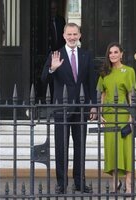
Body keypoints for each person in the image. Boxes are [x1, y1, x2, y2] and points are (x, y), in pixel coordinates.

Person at [41, 23, 97, 193]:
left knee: (80, 147)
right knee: (61, 147)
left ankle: (80, 183)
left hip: (81, 108)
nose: (72, 37)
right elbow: (43, 79)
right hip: (61, 108)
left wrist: (93, 106)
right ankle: (61, 184)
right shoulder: (55, 54)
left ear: (80, 35)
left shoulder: (86, 55)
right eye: (69, 34)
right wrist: (52, 68)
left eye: (75, 34)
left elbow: (90, 83)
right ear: (64, 36)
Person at [96, 42, 136, 193]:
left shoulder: (129, 71)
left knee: (126, 150)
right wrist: (100, 114)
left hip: (123, 114)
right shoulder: (104, 72)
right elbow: (103, 94)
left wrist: (131, 117)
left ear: (121, 54)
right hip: (108, 115)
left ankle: (128, 184)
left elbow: (131, 94)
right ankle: (115, 182)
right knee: (111, 149)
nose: (112, 55)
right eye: (110, 53)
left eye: (115, 52)